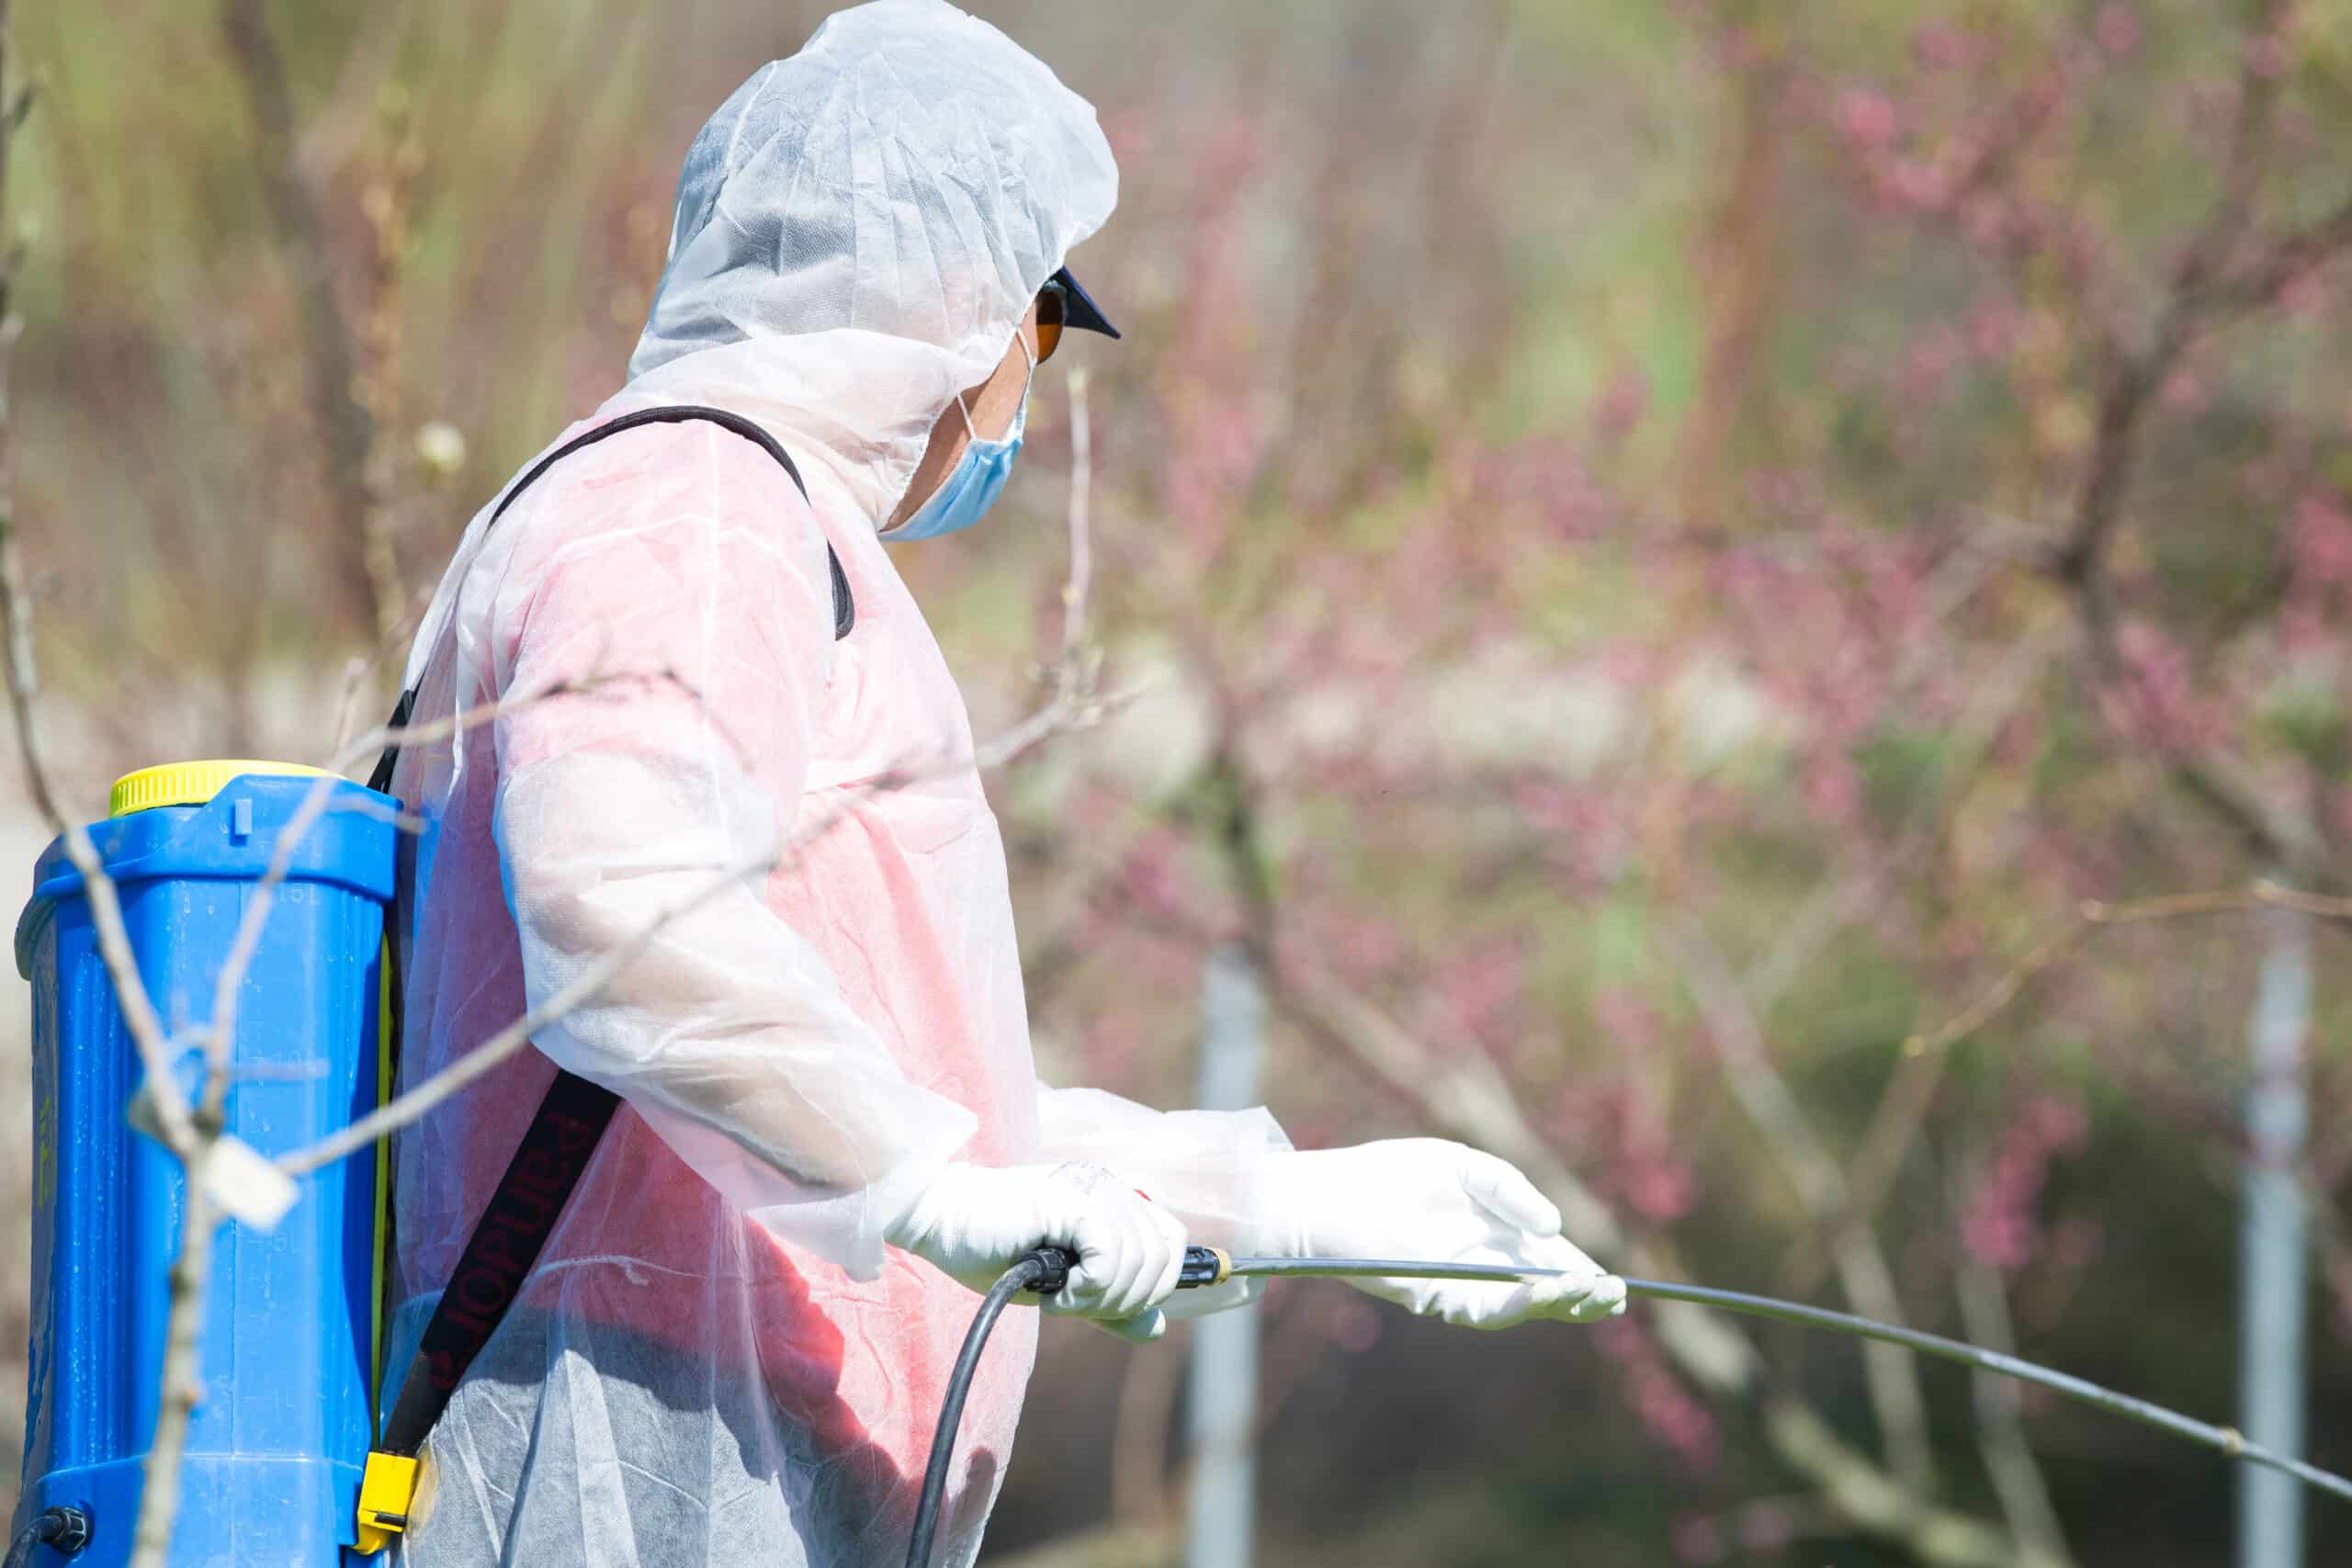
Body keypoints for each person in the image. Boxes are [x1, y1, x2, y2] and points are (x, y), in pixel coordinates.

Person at [383, 3, 1623, 1563]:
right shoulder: (692, 507)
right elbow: (619, 908)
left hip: (703, 1441)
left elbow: (910, 1086)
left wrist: (1295, 1206)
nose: (1027, 388)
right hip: (617, 1445)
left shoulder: (766, 537)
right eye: (1040, 324)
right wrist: (923, 1186)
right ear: (955, 304)